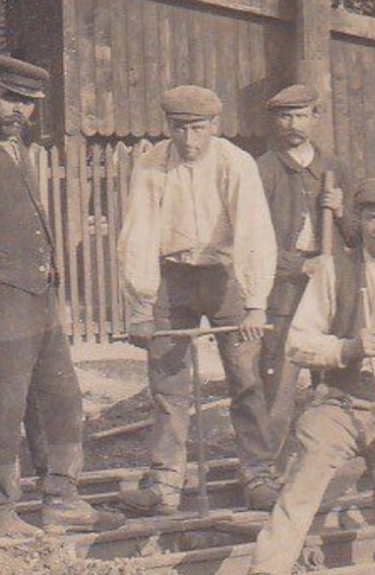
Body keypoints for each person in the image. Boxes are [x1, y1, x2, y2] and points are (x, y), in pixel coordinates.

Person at [0, 55, 121, 538]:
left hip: (37, 297)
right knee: (3, 405)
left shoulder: (18, 148)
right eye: (10, 98)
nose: (19, 110)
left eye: (28, 103)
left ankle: (61, 500)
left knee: (59, 398)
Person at [250, 177, 375, 575]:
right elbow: (297, 342)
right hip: (337, 404)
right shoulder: (334, 269)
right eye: (372, 218)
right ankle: (266, 574)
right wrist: (347, 349)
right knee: (300, 488)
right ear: (358, 220)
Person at [116, 85, 277, 516]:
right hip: (174, 278)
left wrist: (256, 301)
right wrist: (140, 306)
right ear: (168, 127)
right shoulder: (151, 164)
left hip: (227, 278)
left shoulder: (235, 163)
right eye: (179, 129)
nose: (189, 140)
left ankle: (257, 474)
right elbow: (139, 232)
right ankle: (166, 482)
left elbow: (254, 230)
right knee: (168, 385)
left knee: (245, 378)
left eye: (198, 129)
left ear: (215, 126)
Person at [250, 84, 350, 509]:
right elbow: (251, 241)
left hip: (328, 288)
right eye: (284, 117)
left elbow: (360, 235)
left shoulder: (335, 169)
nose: (292, 125)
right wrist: (297, 265)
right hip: (284, 289)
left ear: (316, 117)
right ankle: (267, 474)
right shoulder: (262, 170)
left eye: (301, 115)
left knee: (334, 382)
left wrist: (342, 211)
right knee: (280, 384)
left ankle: (333, 467)